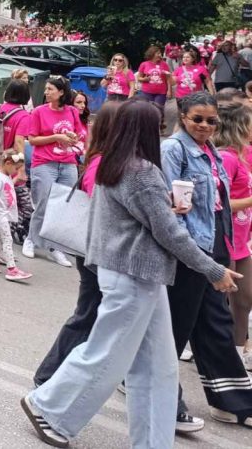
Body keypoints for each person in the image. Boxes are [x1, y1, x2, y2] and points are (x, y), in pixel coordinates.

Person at [21, 100, 239, 449]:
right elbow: (169, 232)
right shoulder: (141, 171)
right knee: (109, 354)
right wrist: (212, 268)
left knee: (157, 365)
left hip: (130, 273)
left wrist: (165, 205)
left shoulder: (114, 163)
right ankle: (48, 405)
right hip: (135, 275)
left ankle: (152, 441)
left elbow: (143, 219)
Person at [163, 91, 252, 427]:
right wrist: (191, 251)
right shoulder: (173, 149)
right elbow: (169, 206)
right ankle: (161, 399)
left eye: (210, 120)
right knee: (177, 324)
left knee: (215, 321)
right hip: (189, 246)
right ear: (183, 116)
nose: (203, 125)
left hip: (215, 240)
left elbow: (217, 205)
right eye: (197, 119)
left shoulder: (211, 151)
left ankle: (233, 401)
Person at [33, 101, 122, 387]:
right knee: (88, 315)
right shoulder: (100, 163)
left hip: (99, 249)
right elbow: (102, 203)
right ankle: (49, 375)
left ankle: (57, 375)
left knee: (95, 316)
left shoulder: (107, 159)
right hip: (95, 250)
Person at [22, 76, 82, 267]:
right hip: (44, 162)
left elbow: (79, 134)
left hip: (68, 163)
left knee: (63, 207)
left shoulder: (72, 111)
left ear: (61, 92)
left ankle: (56, 247)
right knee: (43, 203)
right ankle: (31, 239)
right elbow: (32, 140)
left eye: (50, 89)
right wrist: (56, 136)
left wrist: (72, 137)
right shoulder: (39, 111)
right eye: (46, 89)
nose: (46, 92)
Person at [214, 102, 252, 371]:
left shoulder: (242, 154)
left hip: (242, 242)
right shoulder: (226, 157)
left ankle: (237, 356)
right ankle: (221, 357)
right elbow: (219, 201)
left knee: (244, 300)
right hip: (226, 241)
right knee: (220, 304)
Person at [0, 150, 31, 282]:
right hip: (0, 214)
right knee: (8, 240)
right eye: (16, 168)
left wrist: (15, 179)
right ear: (8, 163)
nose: (16, 171)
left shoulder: (6, 176)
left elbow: (8, 188)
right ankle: (12, 269)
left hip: (7, 212)